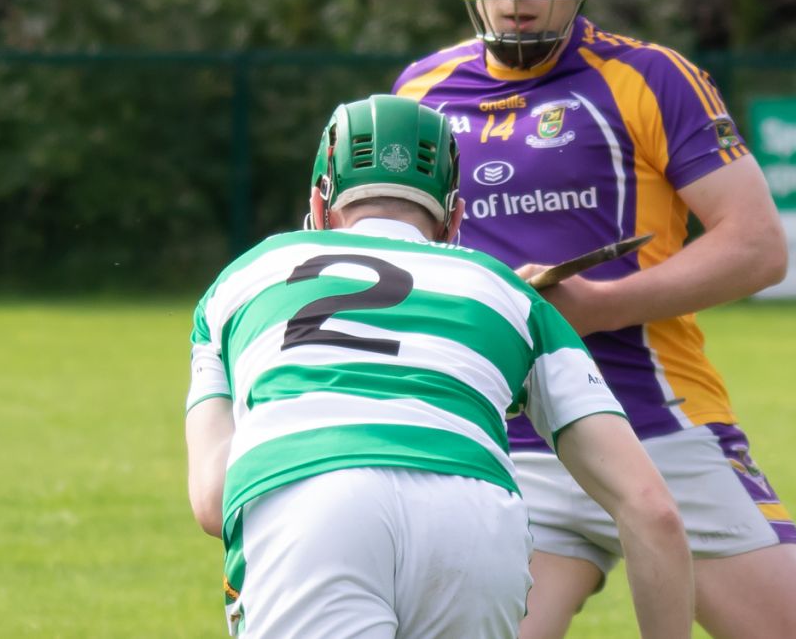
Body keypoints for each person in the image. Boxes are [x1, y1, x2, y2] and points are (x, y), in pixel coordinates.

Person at [393, 0, 796, 638]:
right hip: (511, 449)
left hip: (661, 427)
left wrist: (600, 307)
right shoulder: (418, 95)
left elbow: (757, 246)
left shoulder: (652, 78)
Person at [184, 94, 694, 639]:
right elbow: (652, 511)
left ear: (318, 203)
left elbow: (213, 500)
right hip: (472, 515)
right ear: (453, 216)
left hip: (309, 501)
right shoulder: (509, 294)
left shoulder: (242, 280)